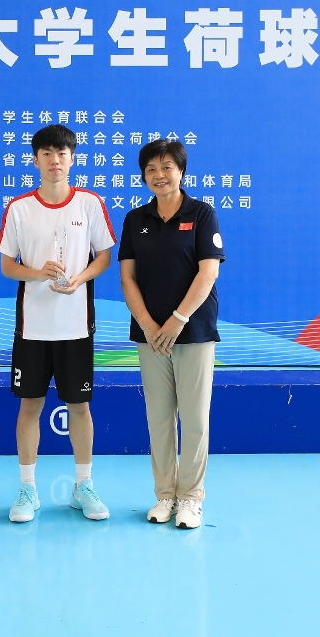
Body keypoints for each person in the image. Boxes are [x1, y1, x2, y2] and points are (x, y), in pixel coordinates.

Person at [0, 124, 115, 523]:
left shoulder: (89, 204)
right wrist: (37, 273)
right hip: (32, 329)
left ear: (72, 158)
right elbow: (7, 266)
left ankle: (84, 486)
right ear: (35, 160)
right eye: (46, 153)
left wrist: (79, 279)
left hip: (75, 327)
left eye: (62, 153)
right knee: (30, 405)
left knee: (79, 406)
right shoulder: (19, 208)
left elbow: (104, 256)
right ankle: (27, 489)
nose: (55, 160)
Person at [118, 140, 224, 529]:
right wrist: (148, 324)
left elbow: (208, 271)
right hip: (151, 336)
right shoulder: (135, 219)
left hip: (193, 330)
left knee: (194, 418)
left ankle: (191, 498)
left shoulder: (202, 214)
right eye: (151, 169)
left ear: (181, 171)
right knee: (159, 419)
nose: (159, 175)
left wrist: (178, 319)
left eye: (167, 167)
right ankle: (165, 495)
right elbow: (127, 278)